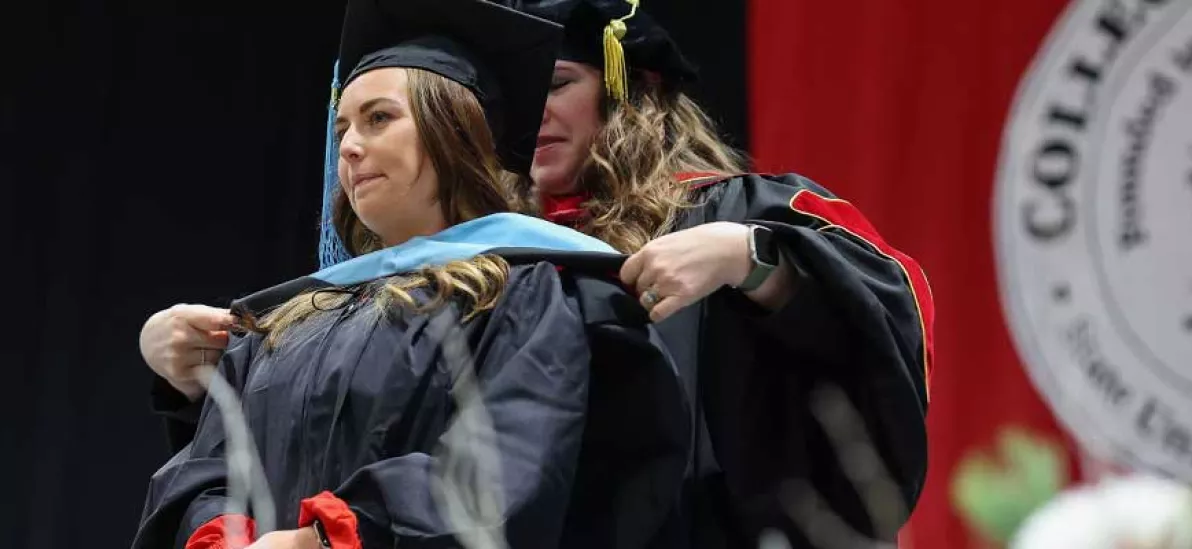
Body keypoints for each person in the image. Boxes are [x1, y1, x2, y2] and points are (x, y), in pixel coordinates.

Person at [143, 0, 935, 546]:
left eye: (560, 85)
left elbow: (881, 318)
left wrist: (752, 258)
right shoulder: (464, 271)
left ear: (629, 95)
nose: (534, 117)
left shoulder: (723, 208)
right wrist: (204, 375)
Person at [132, 1, 688, 547]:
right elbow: (206, 469)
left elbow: (504, 468)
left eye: (379, 119)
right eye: (343, 126)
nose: (348, 147)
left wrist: (323, 540)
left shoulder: (522, 292)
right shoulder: (289, 320)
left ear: (454, 130)